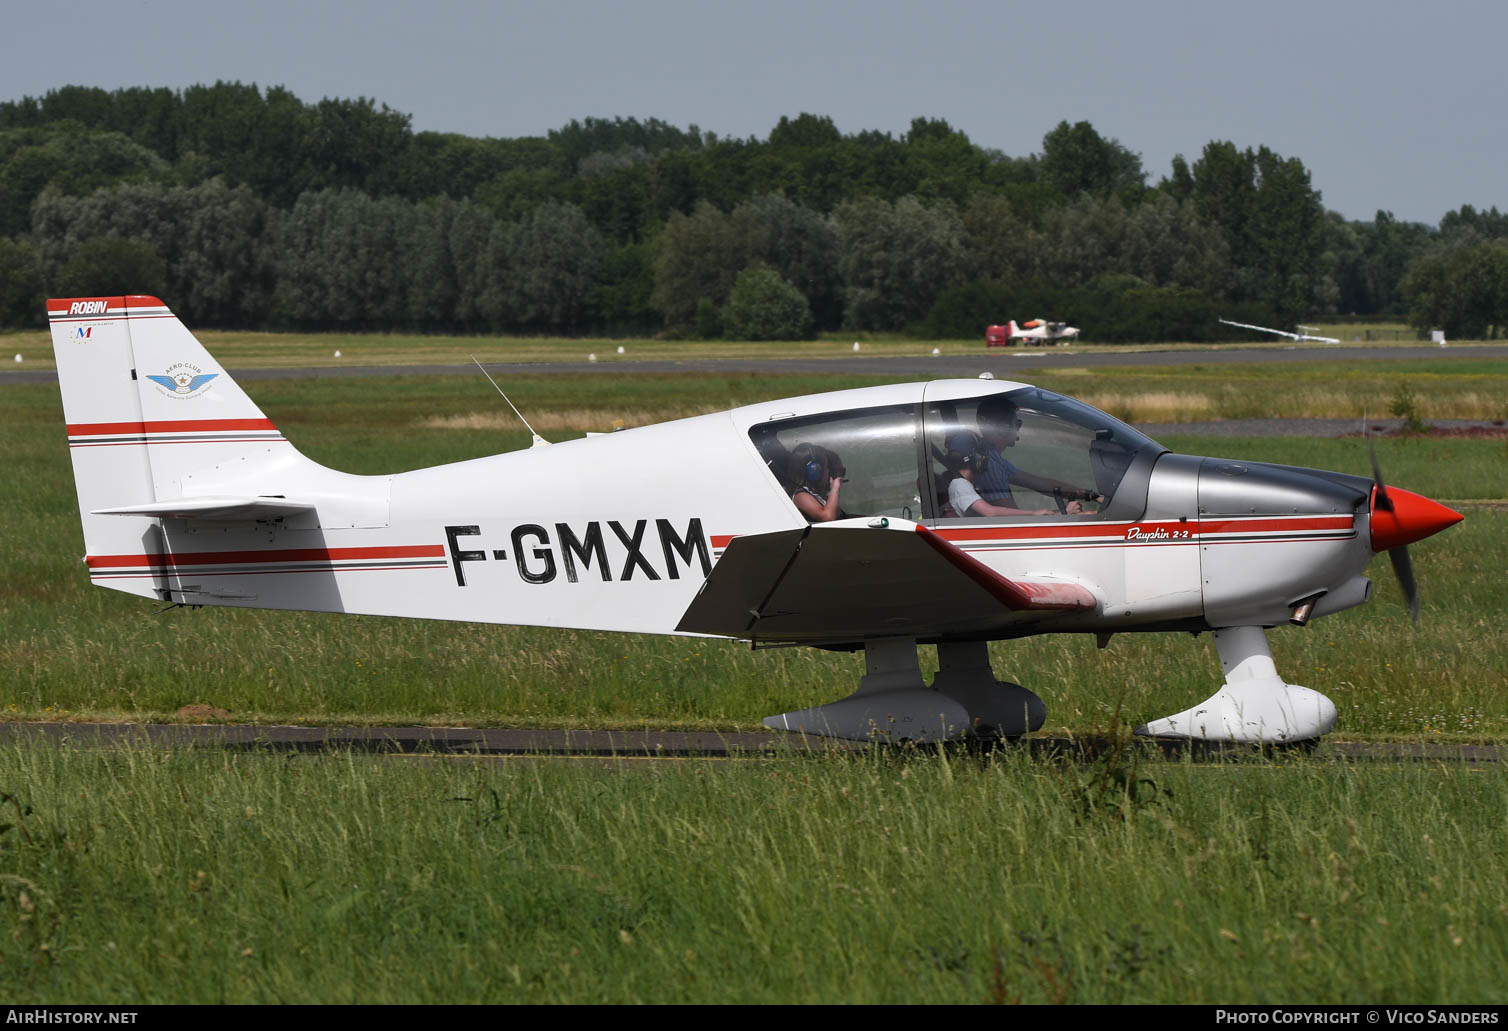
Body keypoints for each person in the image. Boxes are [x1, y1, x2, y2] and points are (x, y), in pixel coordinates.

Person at [958, 397, 1103, 515]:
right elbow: (1014, 520)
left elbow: (1044, 484)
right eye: (1017, 423)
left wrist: (1091, 495)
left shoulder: (994, 458)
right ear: (1004, 427)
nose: (1018, 429)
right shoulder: (989, 463)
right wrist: (1064, 513)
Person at [788, 443, 845, 522]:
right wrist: (835, 489)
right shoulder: (801, 496)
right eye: (826, 467)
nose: (828, 471)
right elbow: (827, 518)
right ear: (814, 471)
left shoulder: (814, 495)